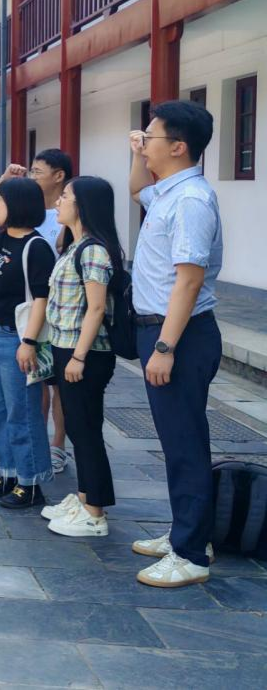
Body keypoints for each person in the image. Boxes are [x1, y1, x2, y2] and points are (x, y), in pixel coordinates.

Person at [128, 100, 222, 588]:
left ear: (179, 146)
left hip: (178, 334)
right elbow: (135, 189)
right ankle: (186, 531)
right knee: (176, 441)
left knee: (185, 443)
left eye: (151, 137)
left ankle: (190, 554)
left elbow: (188, 280)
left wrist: (165, 348)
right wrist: (136, 153)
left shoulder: (190, 201)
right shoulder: (167, 192)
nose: (144, 143)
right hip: (162, 330)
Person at [42, 176, 123, 538]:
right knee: (77, 427)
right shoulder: (74, 246)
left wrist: (78, 357)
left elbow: (96, 308)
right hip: (67, 348)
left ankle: (95, 513)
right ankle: (85, 497)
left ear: (83, 206)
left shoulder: (93, 251)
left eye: (65, 196)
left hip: (85, 353)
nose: (58, 201)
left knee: (86, 429)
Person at [0, 177, 56, 509]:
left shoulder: (37, 247)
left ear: (17, 205)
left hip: (15, 337)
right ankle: (7, 472)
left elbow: (41, 299)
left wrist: (28, 341)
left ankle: (30, 482)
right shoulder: (2, 237)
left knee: (22, 411)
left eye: (0, 202)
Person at [0, 151, 74, 474]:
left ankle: (56, 446)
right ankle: (30, 455)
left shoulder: (63, 216)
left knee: (56, 385)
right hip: (27, 315)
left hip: (56, 314)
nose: (32, 176)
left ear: (59, 175)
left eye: (38, 171)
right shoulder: (18, 218)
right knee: (31, 389)